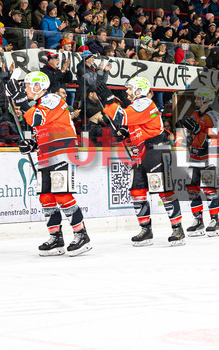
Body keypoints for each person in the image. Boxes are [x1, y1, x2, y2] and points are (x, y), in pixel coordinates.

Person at [98, 76, 186, 246]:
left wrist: (109, 101)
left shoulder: (144, 103)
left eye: (130, 88)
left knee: (164, 191)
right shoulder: (135, 106)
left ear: (139, 90)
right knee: (136, 191)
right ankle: (146, 229)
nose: (127, 91)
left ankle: (178, 229)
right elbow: (135, 126)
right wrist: (125, 133)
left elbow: (122, 117)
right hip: (141, 154)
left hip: (156, 152)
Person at [14, 71, 91, 257]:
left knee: (62, 195)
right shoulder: (39, 105)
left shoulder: (52, 99)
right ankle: (55, 237)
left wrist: (20, 100)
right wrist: (32, 144)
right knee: (46, 197)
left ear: (38, 86)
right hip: (46, 154)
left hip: (62, 152)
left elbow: (36, 119)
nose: (25, 89)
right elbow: (43, 130)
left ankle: (81, 234)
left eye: (27, 85)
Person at [179, 88, 219, 236]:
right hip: (195, 156)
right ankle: (198, 221)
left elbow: (213, 137)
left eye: (199, 98)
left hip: (210, 156)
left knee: (209, 188)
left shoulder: (214, 115)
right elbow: (191, 136)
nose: (196, 100)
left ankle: (215, 220)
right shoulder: (194, 114)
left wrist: (198, 130)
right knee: (192, 188)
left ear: (206, 99)